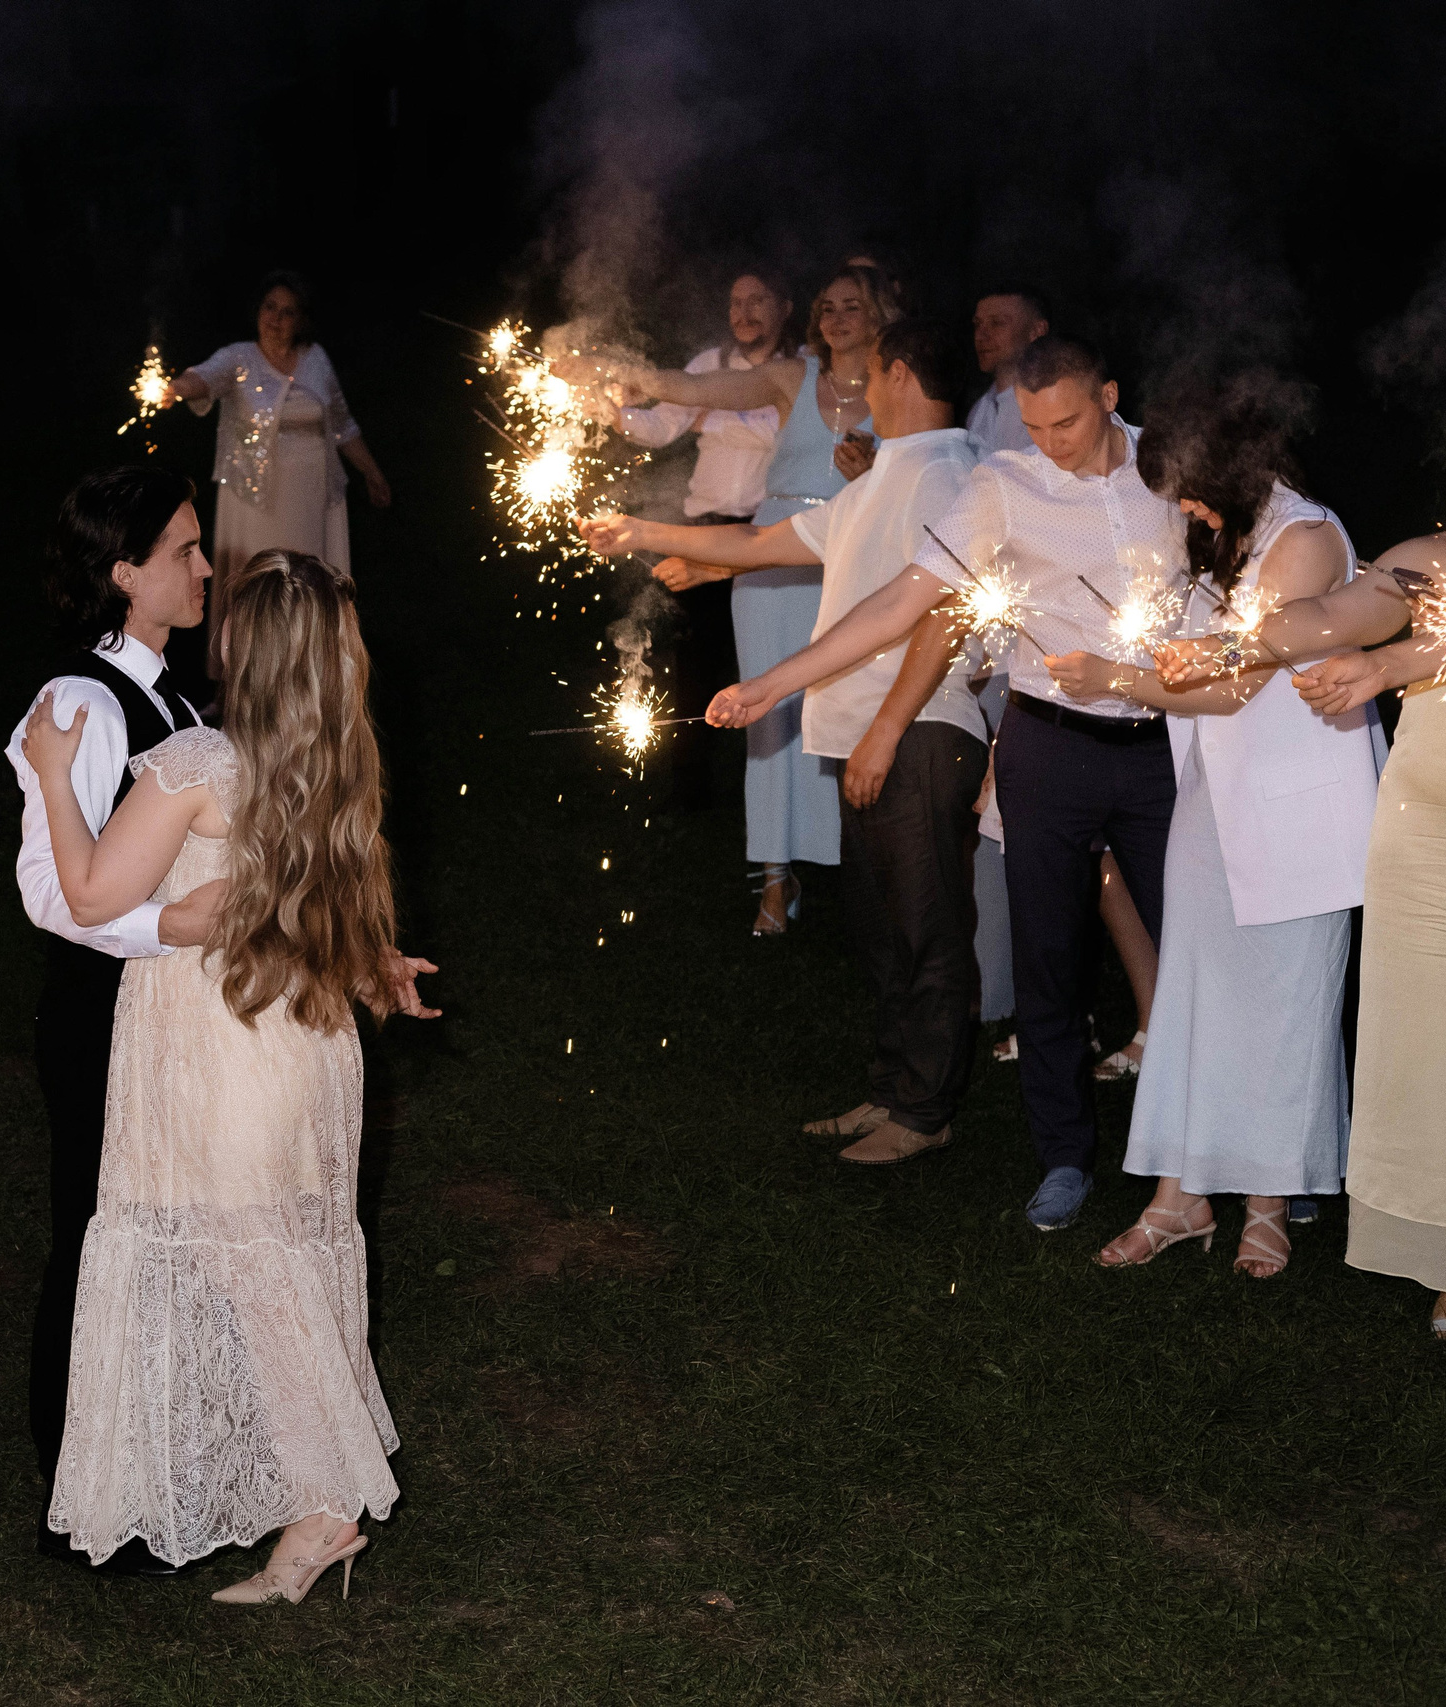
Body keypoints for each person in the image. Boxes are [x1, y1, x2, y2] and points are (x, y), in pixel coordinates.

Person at [707, 335, 1186, 1230]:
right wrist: (775, 682)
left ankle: (1218, 1152)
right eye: (1034, 426)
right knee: (1047, 961)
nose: (1050, 443)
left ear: (1110, 396)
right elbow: (903, 600)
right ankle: (1064, 1157)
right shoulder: (1002, 484)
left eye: (1067, 423)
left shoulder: (1172, 467)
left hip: (1162, 744)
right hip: (1048, 743)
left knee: (1193, 944)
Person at [26, 548, 430, 1602]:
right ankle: (295, 1489)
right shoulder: (337, 767)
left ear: (247, 648)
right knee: (272, 1270)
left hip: (217, 1053)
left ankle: (325, 1507)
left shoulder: (198, 764)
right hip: (305, 1050)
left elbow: (88, 893)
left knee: (256, 1277)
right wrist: (378, 972)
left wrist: (53, 775)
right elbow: (315, 910)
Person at [1165, 398, 1446, 1338]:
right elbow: (1340, 610)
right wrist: (1235, 640)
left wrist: (1390, 665)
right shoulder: (1434, 558)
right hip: (1425, 840)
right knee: (1437, 1051)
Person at [590, 318, 986, 1160]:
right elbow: (762, 541)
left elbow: (940, 612)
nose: (861, 387)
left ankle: (926, 1110)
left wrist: (882, 726)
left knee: (928, 928)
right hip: (866, 735)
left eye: (872, 372)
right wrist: (642, 531)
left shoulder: (946, 473)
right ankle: (892, 1088)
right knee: (881, 931)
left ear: (900, 374)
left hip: (916, 732)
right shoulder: (886, 475)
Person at [1031, 381, 1380, 1274]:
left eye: (1191, 489)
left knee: (1285, 1006)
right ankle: (1179, 1195)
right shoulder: (1228, 535)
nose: (1185, 508)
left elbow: (1235, 685)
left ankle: (1268, 1198)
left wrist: (1115, 680)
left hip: (1298, 810)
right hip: (1213, 800)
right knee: (1191, 994)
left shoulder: (1304, 539)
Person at [8, 466, 224, 1577]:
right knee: (96, 1242)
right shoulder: (82, 704)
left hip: (168, 1021)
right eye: (184, 550)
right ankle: (79, 1503)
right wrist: (170, 926)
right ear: (124, 572)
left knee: (162, 1240)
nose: (205, 566)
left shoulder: (177, 699)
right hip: (101, 1019)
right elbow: (56, 892)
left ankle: (151, 1478)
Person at [583, 265, 902, 933]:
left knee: (848, 710)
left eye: (853, 306)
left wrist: (874, 474)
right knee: (770, 718)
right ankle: (775, 883)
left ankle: (862, 864)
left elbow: (915, 492)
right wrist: (621, 372)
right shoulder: (792, 378)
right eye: (829, 306)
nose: (838, 317)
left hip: (851, 564)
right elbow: (695, 388)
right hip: (769, 566)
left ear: (880, 314)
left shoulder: (900, 390)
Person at [613, 271, 797, 810]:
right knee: (694, 663)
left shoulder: (802, 368)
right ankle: (689, 791)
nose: (744, 312)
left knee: (768, 658)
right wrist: (611, 412)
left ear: (785, 307)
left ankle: (777, 783)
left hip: (770, 533)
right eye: (736, 302)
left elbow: (784, 437)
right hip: (704, 531)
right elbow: (658, 429)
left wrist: (712, 422)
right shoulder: (707, 364)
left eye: (757, 300)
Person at [163, 272, 393, 589]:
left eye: (288, 312)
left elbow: (342, 425)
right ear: (258, 310)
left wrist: (372, 472)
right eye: (270, 307)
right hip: (255, 498)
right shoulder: (239, 357)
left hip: (312, 494)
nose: (276, 318)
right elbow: (205, 378)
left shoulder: (316, 359)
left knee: (307, 581)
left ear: (300, 321)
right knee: (263, 583)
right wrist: (176, 388)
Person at [966, 288, 1051, 455]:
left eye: (997, 323)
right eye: (977, 325)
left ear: (1037, 331)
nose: (980, 336)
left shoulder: (1052, 406)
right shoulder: (979, 410)